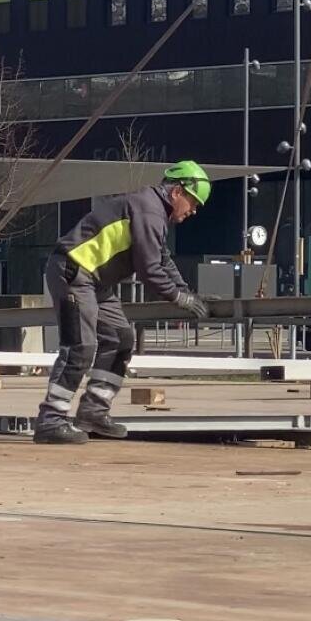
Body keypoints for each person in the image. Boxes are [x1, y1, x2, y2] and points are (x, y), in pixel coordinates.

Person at [34, 160, 213, 444]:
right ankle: (51, 420)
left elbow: (162, 259)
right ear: (178, 191)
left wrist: (187, 292)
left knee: (120, 338)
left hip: (94, 281)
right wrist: (180, 298)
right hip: (74, 271)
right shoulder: (148, 210)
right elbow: (149, 269)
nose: (193, 211)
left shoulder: (153, 213)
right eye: (193, 203)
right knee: (81, 345)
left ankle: (93, 412)